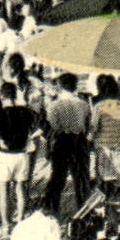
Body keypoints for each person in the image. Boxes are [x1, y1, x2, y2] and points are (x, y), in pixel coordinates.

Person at [0, 82, 36, 232]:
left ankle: (6, 225)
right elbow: (37, 128)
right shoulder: (26, 111)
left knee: (3, 191)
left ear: (2, 96)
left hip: (4, 156)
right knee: (20, 189)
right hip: (21, 155)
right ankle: (20, 221)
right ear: (15, 94)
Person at [43, 73, 93, 216]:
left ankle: (52, 210)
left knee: (58, 177)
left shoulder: (54, 105)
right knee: (82, 179)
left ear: (60, 86)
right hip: (79, 141)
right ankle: (84, 211)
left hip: (62, 141)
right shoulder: (83, 104)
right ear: (74, 86)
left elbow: (53, 126)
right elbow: (88, 125)